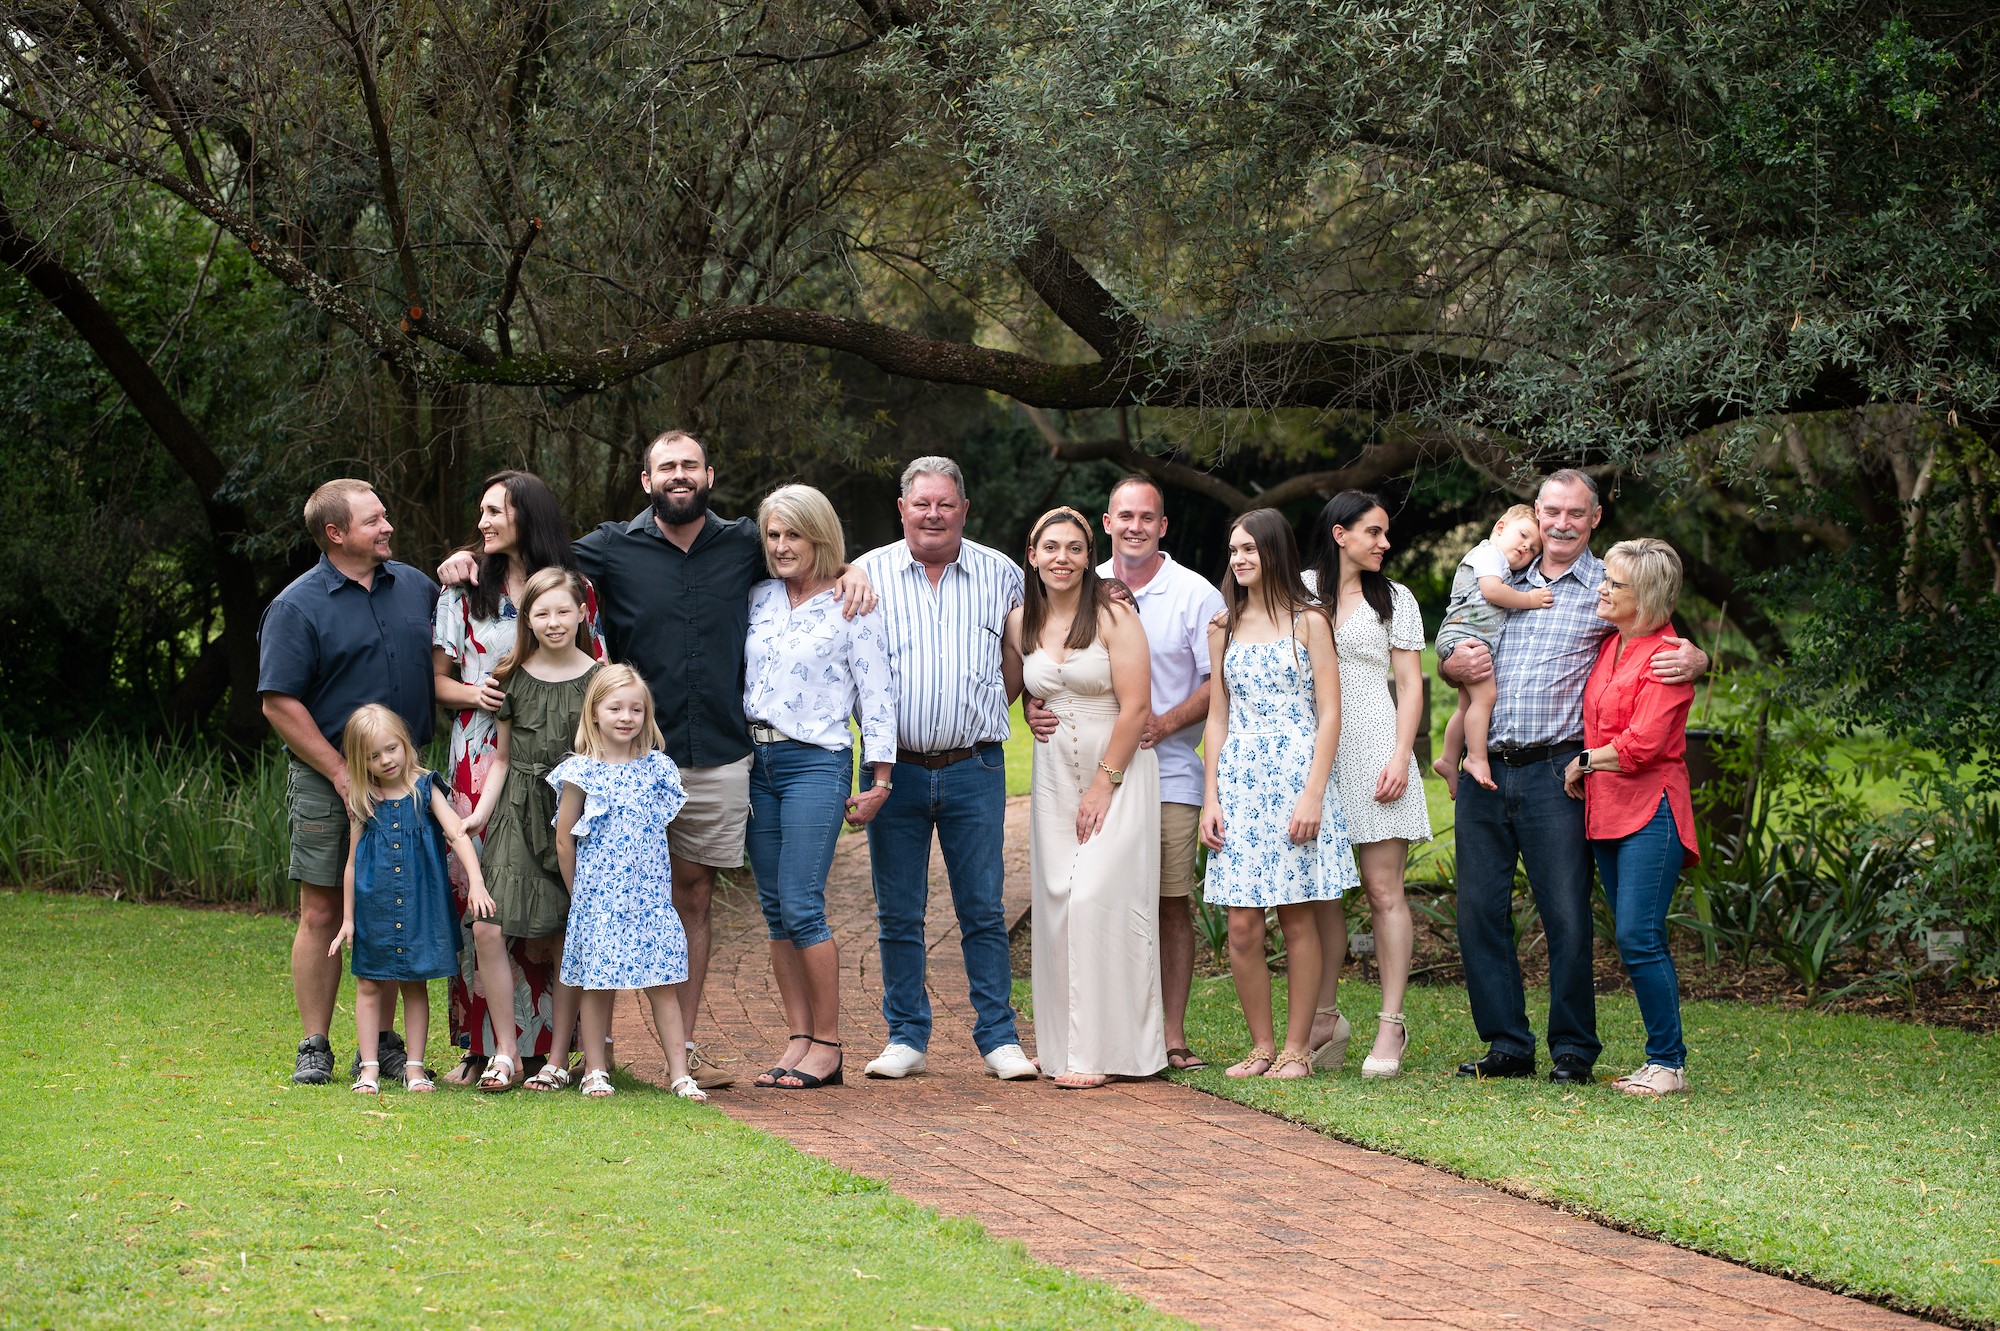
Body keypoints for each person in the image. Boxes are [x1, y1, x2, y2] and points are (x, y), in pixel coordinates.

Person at [439, 430, 873, 1089]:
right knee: (601, 893)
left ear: (709, 474)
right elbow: (541, 552)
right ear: (647, 481)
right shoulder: (612, 546)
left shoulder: (744, 544)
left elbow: (806, 549)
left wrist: (852, 569)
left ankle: (683, 1048)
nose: (678, 475)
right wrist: (469, 556)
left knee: (692, 894)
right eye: (666, 466)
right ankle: (599, 1051)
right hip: (627, 757)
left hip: (720, 754)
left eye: (689, 465)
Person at [1439, 469, 1707, 1084]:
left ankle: (1573, 1049)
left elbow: (1656, 633)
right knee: (1478, 911)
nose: (1561, 524)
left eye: (1575, 513)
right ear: (1536, 512)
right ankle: (1507, 1044)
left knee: (1565, 913)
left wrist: (1699, 657)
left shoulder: (1606, 589)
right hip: (1485, 765)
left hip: (1556, 771)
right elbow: (1453, 638)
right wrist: (1451, 661)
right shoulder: (1499, 573)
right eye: (1552, 511)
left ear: (1595, 518)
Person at [1024, 476, 1225, 1071]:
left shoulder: (1185, 595)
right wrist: (1033, 703)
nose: (1135, 525)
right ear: (1108, 524)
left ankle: (1162, 1037)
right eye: (1124, 516)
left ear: (1162, 525)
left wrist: (1159, 729)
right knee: (1076, 904)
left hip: (1156, 771)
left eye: (1147, 516)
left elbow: (1211, 683)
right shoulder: (1052, 603)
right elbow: (1023, 677)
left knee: (1156, 903)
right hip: (1063, 777)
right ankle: (1078, 1045)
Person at [854, 456, 1038, 1082]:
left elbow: (1021, 655)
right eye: (922, 503)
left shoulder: (1001, 574)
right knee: (898, 912)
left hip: (974, 766)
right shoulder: (867, 574)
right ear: (902, 509)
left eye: (945, 504)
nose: (933, 515)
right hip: (893, 770)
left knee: (983, 908)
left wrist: (985, 710)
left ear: (964, 509)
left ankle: (999, 1038)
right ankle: (906, 1036)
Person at [258, 479, 438, 1085]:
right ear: (335, 534)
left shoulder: (416, 587)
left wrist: (464, 566)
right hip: (325, 775)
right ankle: (315, 1045)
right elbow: (279, 703)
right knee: (320, 908)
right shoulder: (296, 607)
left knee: (390, 900)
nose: (388, 527)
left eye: (385, 516)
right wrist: (339, 773)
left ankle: (381, 1043)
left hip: (404, 779)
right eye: (373, 521)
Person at [431, 470, 606, 1087]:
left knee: (558, 903)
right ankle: (481, 1046)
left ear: (527, 516)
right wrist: (474, 693)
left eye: (494, 511)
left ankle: (556, 1051)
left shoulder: (576, 589)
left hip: (559, 758)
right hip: (480, 757)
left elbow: (598, 673)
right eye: (480, 512)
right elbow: (438, 681)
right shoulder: (463, 589)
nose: (482, 523)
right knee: (478, 902)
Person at [741, 484, 898, 1091]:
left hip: (816, 762)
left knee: (802, 902)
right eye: (774, 535)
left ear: (820, 537)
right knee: (775, 909)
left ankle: (828, 1045)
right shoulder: (757, 596)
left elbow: (877, 697)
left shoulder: (852, 603)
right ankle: (798, 1037)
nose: (782, 546)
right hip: (756, 763)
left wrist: (880, 778)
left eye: (795, 535)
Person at [1006, 507, 1163, 1088]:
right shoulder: (1020, 621)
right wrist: (1030, 707)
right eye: (1051, 547)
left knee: (1098, 899)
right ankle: (1063, 1047)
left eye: (1075, 548)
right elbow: (1013, 690)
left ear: (1089, 557)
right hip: (1053, 777)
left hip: (1116, 771)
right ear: (1032, 555)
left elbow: (1137, 706)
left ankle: (1110, 1051)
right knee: (1057, 904)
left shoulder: (1114, 615)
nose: (1063, 558)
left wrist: (1104, 782)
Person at [1199, 509, 1356, 1080]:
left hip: (1295, 778)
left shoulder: (1309, 621)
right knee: (1242, 925)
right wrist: (1211, 797)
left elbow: (1330, 712)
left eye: (1250, 549)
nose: (1239, 559)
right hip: (1239, 781)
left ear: (1275, 552)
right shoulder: (1223, 626)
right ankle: (1261, 1046)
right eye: (1233, 549)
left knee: (1295, 916)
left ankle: (1296, 1050)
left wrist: (1313, 795)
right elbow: (1218, 715)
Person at [1302, 492, 1433, 1078]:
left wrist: (1402, 757)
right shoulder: (1299, 591)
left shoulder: (1396, 600)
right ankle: (1325, 1017)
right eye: (1373, 532)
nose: (1385, 542)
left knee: (1384, 892)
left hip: (1378, 750)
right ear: (1340, 534)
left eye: (1385, 533)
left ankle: (1391, 1023)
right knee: (1321, 892)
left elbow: (1411, 685)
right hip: (1314, 758)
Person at [1562, 539, 1699, 1096]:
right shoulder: (1612, 645)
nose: (1602, 589)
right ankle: (1660, 1060)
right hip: (1607, 810)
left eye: (1614, 584)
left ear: (1645, 597)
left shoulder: (1667, 657)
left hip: (1652, 809)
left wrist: (1583, 761)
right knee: (1632, 936)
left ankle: (1668, 1064)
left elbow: (1642, 744)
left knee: (1640, 935)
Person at [463, 567, 602, 1093]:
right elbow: (501, 759)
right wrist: (480, 813)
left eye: (564, 610)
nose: (554, 622)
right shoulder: (509, 677)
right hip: (517, 809)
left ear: (582, 613)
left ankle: (559, 1057)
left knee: (571, 931)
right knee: (488, 925)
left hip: (577, 815)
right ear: (527, 619)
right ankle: (505, 1052)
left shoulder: (600, 680)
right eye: (541, 613)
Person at [549, 666, 708, 1101]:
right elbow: (564, 840)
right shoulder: (581, 771)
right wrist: (579, 894)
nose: (626, 717)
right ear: (594, 713)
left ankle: (680, 1074)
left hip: (649, 900)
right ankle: (594, 1069)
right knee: (598, 986)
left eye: (636, 709)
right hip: (598, 900)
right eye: (615, 708)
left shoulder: (657, 768)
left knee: (663, 985)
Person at [330, 704, 484, 1094]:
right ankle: (369, 1069)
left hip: (420, 905)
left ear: (404, 743)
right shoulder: (364, 800)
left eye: (391, 749)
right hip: (376, 906)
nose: (386, 760)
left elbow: (457, 833)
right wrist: (347, 919)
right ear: (360, 761)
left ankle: (414, 1068)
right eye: (373, 756)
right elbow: (351, 864)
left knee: (415, 985)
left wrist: (477, 881)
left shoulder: (424, 788)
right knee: (369, 985)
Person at [1432, 505, 1552, 796]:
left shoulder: (1497, 561)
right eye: (1523, 535)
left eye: (1534, 549)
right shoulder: (1489, 555)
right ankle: (1475, 757)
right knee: (1486, 698)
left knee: (1466, 706)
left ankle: (1448, 759)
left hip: (1462, 637)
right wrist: (1531, 599)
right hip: (1467, 638)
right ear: (1500, 527)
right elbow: (1492, 591)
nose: (1526, 547)